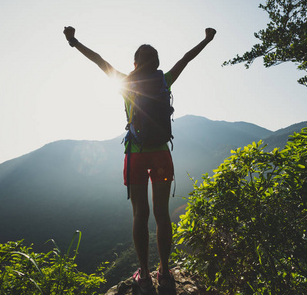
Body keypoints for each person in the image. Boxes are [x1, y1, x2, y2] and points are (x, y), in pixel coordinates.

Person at [63, 26, 216, 292]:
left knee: (139, 214)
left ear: (135, 62)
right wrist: (207, 39)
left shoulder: (126, 83)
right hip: (161, 154)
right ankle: (165, 272)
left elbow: (100, 60)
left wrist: (74, 41)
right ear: (157, 63)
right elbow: (186, 59)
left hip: (135, 155)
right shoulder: (164, 80)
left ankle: (144, 274)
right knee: (162, 215)